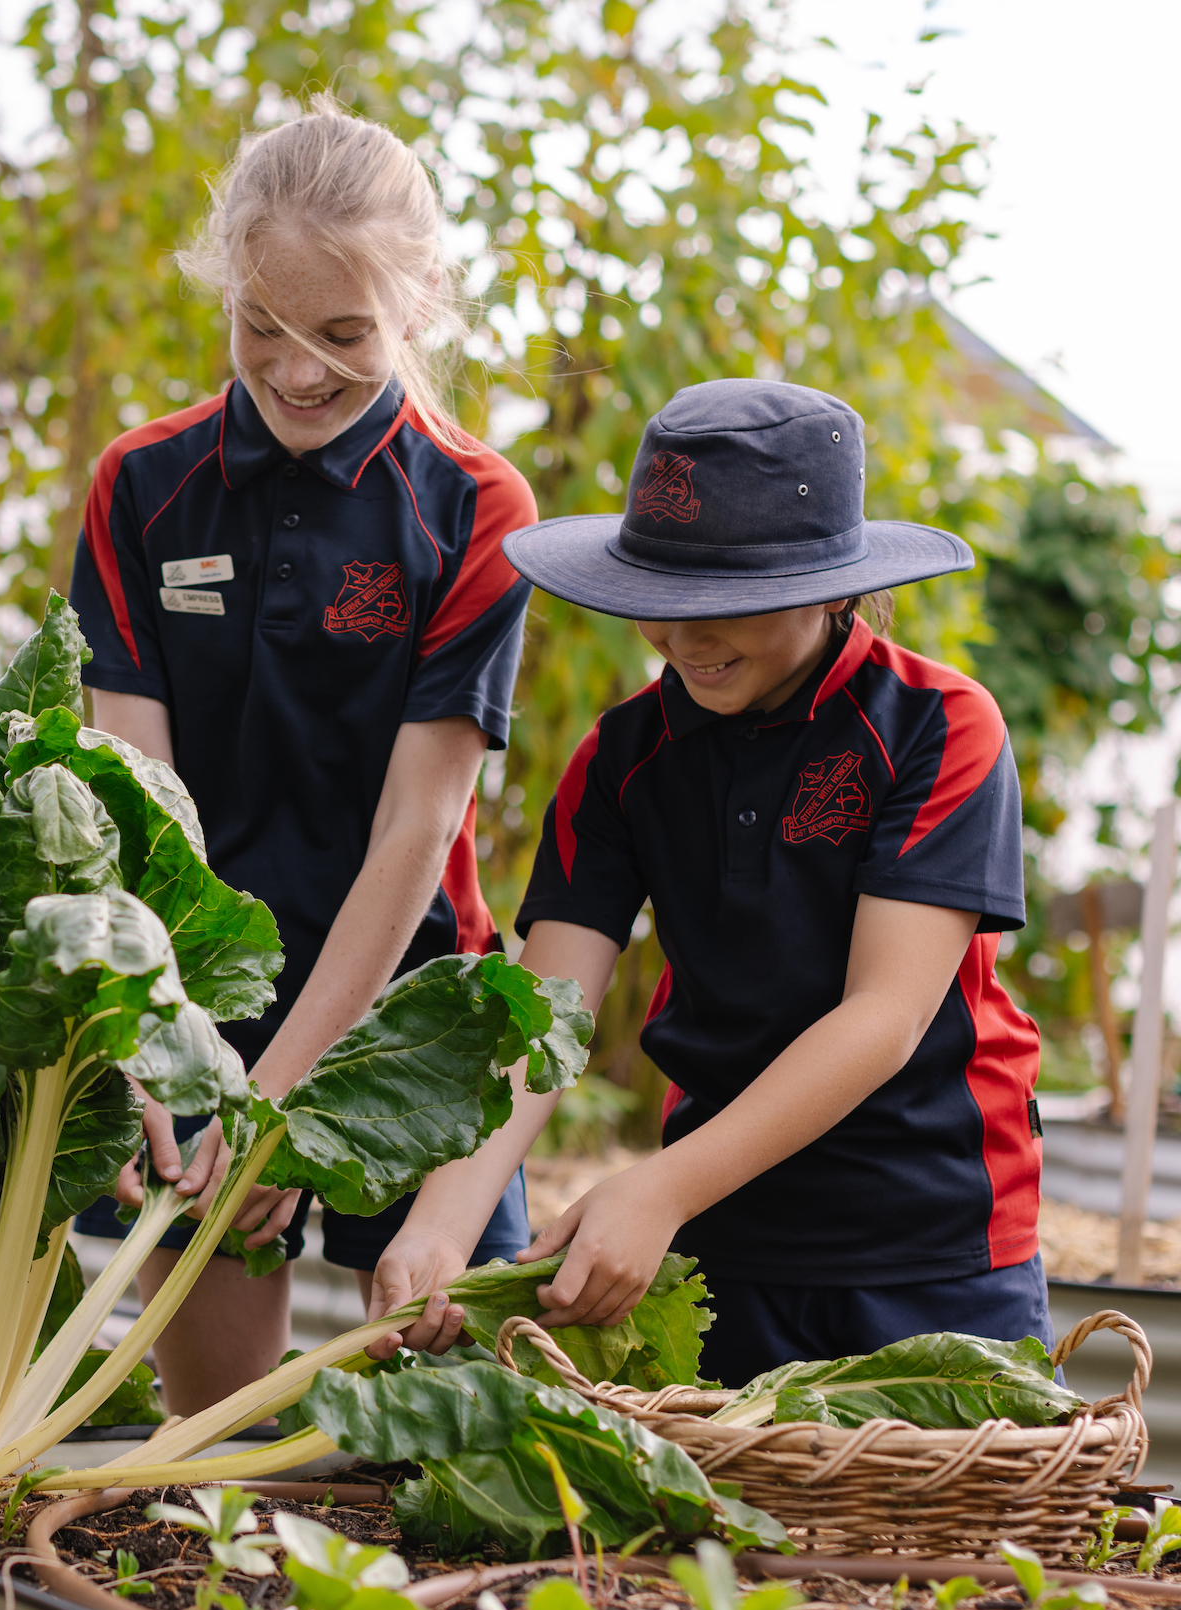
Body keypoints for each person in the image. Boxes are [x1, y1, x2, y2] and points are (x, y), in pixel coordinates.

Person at [364, 378, 1048, 1389]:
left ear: (832, 584)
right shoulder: (621, 759)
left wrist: (659, 1187)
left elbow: (885, 1015)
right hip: (719, 1248)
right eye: (656, 604)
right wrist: (439, 1227)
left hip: (929, 1239)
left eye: (726, 605)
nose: (684, 639)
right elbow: (540, 1026)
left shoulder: (940, 725)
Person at [67, 98, 543, 1414]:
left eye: (342, 335)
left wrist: (280, 1097)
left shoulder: (478, 509)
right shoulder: (138, 487)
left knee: (450, 1443)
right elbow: (137, 806)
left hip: (412, 1017)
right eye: (259, 326)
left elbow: (416, 831)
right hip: (195, 1010)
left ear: (420, 309)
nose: (295, 370)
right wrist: (174, 1047)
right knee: (210, 1448)